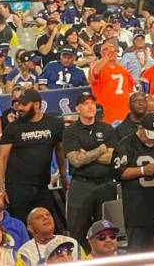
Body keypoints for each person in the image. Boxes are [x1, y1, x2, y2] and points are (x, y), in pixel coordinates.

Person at [0, 89, 66, 223]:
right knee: (22, 225)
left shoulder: (54, 124)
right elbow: (2, 158)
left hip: (43, 187)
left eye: (24, 105)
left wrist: (63, 176)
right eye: (19, 104)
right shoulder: (13, 127)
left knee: (45, 225)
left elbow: (60, 151)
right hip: (17, 188)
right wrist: (1, 187)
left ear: (37, 105)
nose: (20, 108)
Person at [113, 113, 154, 250]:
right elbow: (119, 172)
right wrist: (143, 170)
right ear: (141, 129)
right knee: (139, 254)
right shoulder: (126, 144)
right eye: (150, 135)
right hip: (137, 211)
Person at [62, 92, 116, 232]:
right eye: (85, 104)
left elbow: (111, 157)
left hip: (106, 184)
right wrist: (101, 149)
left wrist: (86, 154)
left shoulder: (107, 128)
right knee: (77, 229)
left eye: (92, 103)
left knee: (107, 229)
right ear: (78, 108)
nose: (90, 106)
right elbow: (76, 161)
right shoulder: (70, 131)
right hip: (81, 185)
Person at [16, 208, 83, 266]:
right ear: (30, 228)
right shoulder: (25, 252)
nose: (45, 217)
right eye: (39, 217)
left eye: (48, 215)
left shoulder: (73, 243)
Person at [89, 42, 134, 125]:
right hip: (106, 115)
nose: (111, 51)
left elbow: (129, 91)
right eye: (106, 49)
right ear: (101, 53)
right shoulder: (95, 65)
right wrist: (106, 58)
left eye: (113, 50)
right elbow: (96, 72)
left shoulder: (123, 70)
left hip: (125, 115)